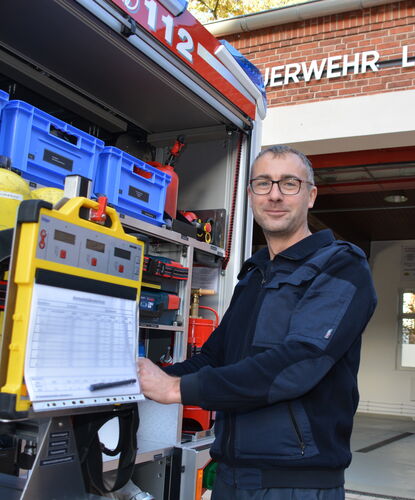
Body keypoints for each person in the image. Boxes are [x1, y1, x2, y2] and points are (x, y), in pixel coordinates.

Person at [138, 145, 377, 499]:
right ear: (250, 196)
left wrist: (175, 390)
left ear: (310, 196)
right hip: (232, 475)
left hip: (297, 483)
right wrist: (150, 375)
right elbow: (214, 357)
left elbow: (300, 363)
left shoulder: (341, 266)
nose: (275, 195)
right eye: (263, 184)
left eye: (289, 184)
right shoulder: (254, 274)